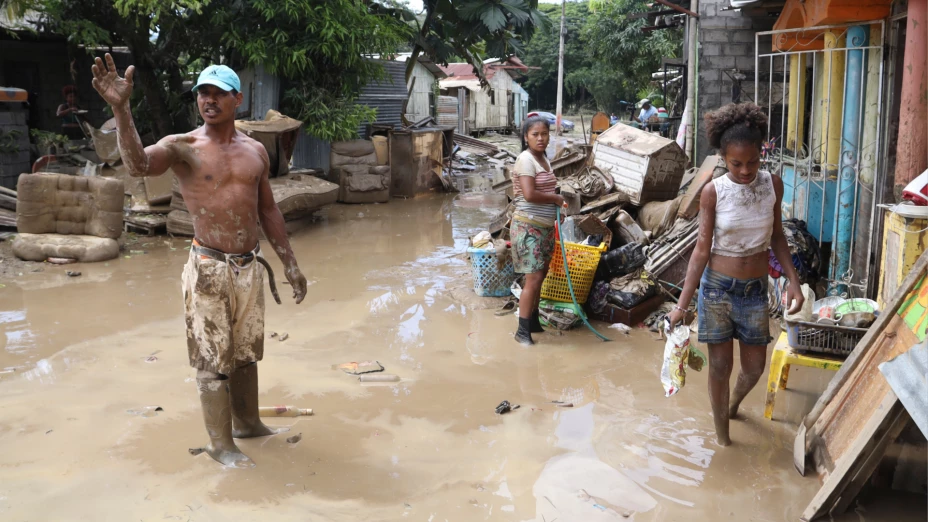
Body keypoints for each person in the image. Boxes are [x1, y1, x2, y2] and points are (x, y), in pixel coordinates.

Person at [92, 54, 309, 468]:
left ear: (237, 100)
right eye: (202, 94)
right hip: (208, 267)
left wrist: (291, 264)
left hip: (248, 266)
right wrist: (121, 109)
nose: (209, 101)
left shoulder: (256, 152)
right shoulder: (183, 148)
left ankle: (247, 424)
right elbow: (138, 164)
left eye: (218, 94)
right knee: (213, 359)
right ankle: (220, 445)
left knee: (246, 353)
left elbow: (268, 211)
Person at [666, 102, 803, 446]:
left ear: (762, 153)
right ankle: (723, 438)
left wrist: (794, 280)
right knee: (719, 367)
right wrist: (682, 306)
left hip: (755, 291)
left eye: (753, 162)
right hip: (716, 291)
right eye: (736, 164)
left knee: (755, 367)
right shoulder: (713, 192)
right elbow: (701, 250)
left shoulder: (773, 185)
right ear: (724, 158)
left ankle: (733, 404)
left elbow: (776, 236)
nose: (745, 171)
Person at [510, 115, 569, 346]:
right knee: (532, 278)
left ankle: (533, 321)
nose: (541, 138)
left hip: (544, 228)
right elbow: (529, 194)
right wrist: (556, 198)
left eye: (544, 134)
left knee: (540, 276)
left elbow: (548, 190)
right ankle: (522, 332)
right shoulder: (526, 159)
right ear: (526, 138)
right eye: (535, 134)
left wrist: (558, 211)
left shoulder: (544, 158)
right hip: (528, 227)